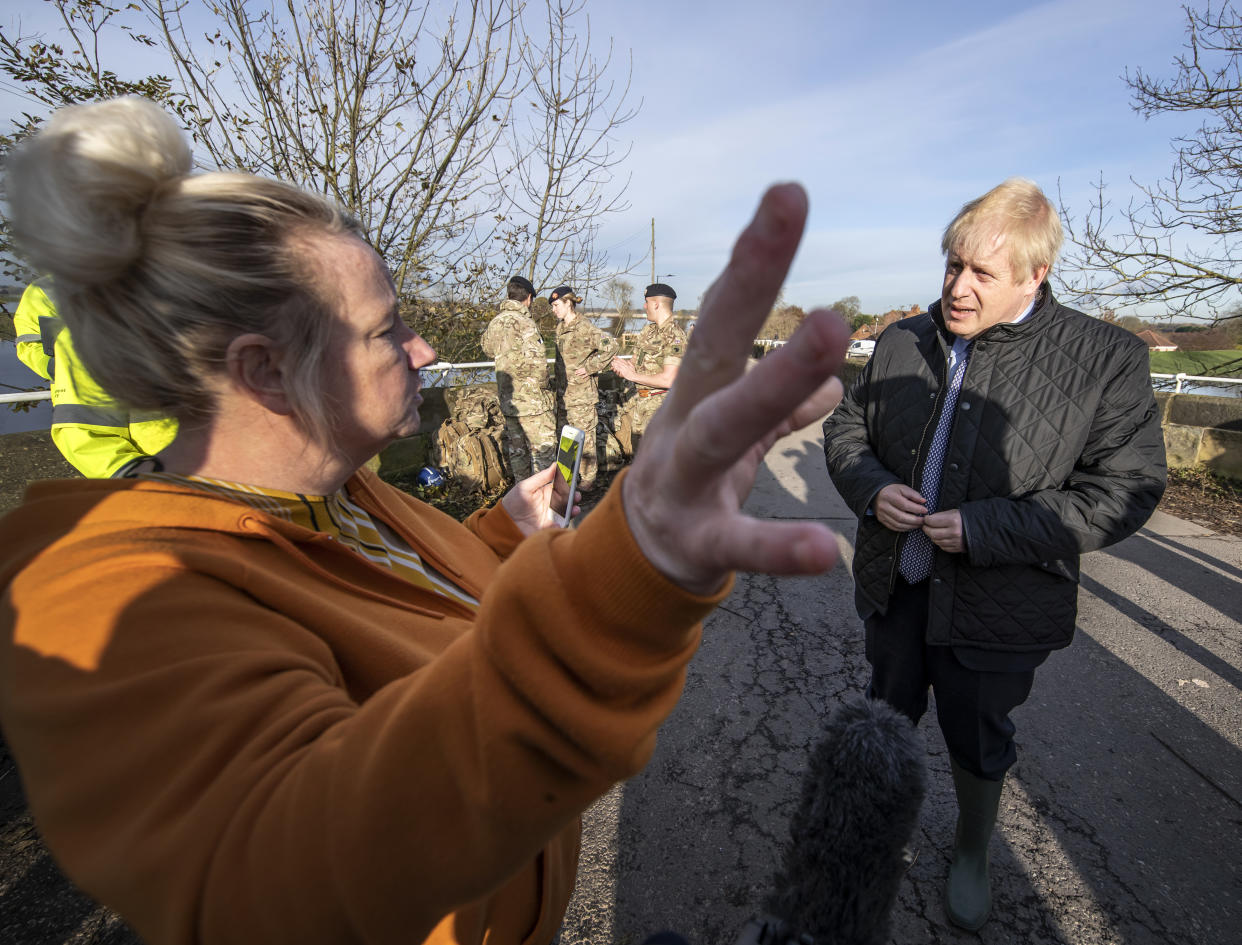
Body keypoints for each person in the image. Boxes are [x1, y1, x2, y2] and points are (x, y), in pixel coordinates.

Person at [0, 96, 850, 945]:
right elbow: (296, 875)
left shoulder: (336, 490)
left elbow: (386, 601)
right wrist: (637, 568)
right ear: (264, 370)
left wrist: (499, 537)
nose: (425, 350)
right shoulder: (112, 594)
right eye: (387, 329)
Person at [822, 178, 1166, 931]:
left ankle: (971, 849)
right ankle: (875, 834)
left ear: (1035, 275)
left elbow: (1128, 488)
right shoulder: (902, 340)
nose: (957, 287)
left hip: (998, 602)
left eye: (982, 273)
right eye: (952, 264)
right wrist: (873, 487)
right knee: (887, 711)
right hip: (898, 582)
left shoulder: (1104, 359)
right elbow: (846, 431)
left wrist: (986, 528)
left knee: (978, 731)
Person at [12, 279, 180, 477]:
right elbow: (30, 343)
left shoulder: (184, 288)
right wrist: (69, 368)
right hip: (145, 454)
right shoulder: (47, 289)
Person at [480, 275, 557, 478]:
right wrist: (544, 389)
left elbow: (487, 348)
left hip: (509, 402)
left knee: (518, 453)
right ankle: (544, 502)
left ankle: (522, 499)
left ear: (509, 295)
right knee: (544, 454)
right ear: (529, 298)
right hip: (533, 404)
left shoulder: (495, 323)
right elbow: (540, 364)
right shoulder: (526, 323)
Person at [550, 285, 617, 490]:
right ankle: (569, 477)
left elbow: (612, 345)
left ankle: (588, 478)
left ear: (568, 303)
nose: (554, 310)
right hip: (564, 395)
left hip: (582, 395)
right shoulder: (560, 329)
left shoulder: (584, 328)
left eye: (556, 305)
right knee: (566, 436)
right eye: (552, 306)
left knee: (585, 437)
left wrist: (591, 367)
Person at [610, 282, 686, 456]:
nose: (644, 306)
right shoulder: (648, 332)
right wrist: (622, 367)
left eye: (646, 302)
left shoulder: (675, 336)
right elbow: (636, 365)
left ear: (656, 304)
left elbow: (669, 379)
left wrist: (633, 375)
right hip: (641, 407)